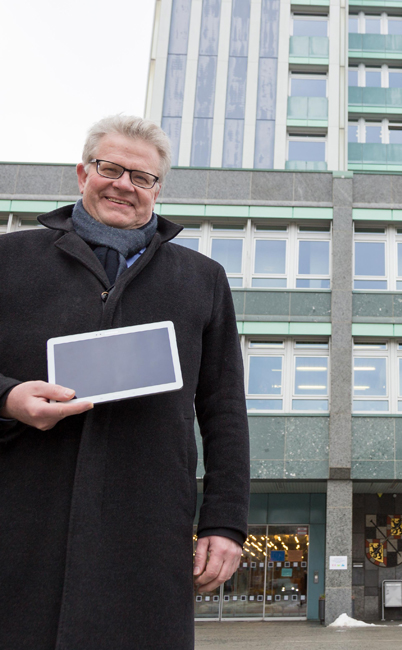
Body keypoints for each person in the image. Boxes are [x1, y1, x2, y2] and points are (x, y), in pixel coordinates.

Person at [0, 115, 250, 650]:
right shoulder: (8, 260)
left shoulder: (202, 279)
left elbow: (224, 409)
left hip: (148, 523)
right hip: (22, 518)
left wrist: (225, 524)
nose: (124, 185)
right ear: (81, 172)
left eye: (142, 178)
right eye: (109, 169)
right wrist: (7, 397)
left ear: (158, 189)